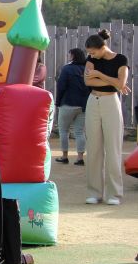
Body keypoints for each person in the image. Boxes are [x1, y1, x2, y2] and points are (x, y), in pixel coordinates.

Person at [83, 29, 130, 205]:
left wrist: (100, 75)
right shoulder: (90, 60)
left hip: (111, 103)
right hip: (92, 102)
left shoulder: (121, 59)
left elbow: (121, 84)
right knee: (93, 148)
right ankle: (94, 192)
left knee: (113, 149)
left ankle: (114, 194)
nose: (91, 56)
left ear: (102, 47)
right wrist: (112, 81)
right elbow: (88, 81)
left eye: (93, 52)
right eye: (89, 53)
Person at [55, 48, 90, 166]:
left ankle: (64, 156)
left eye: (69, 54)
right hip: (83, 105)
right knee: (80, 132)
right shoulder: (87, 69)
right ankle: (80, 158)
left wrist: (58, 102)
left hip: (67, 104)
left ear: (73, 55)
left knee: (64, 131)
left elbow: (61, 87)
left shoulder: (67, 69)